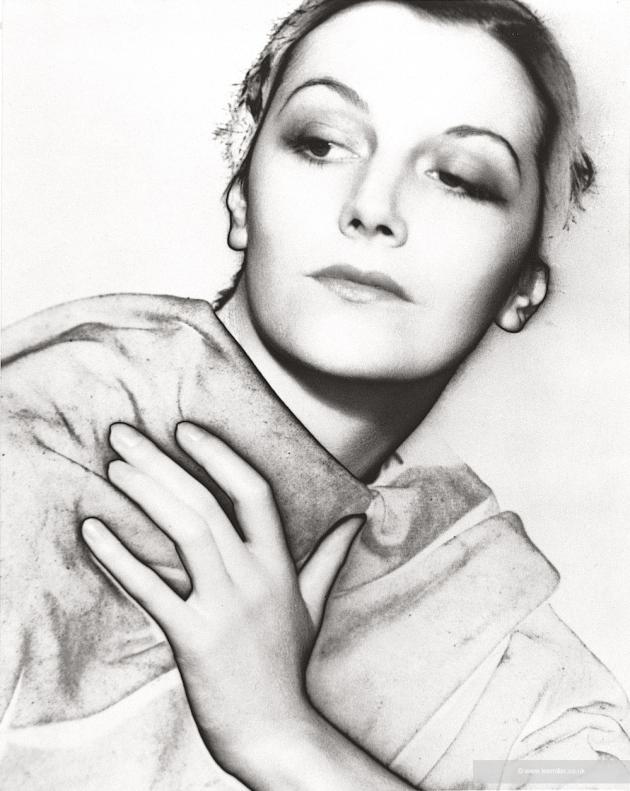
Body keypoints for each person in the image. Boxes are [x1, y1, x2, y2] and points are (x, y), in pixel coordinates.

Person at [1, 1, 628, 789]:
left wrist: (280, 734)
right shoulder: (33, 457)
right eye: (323, 143)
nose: (372, 209)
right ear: (241, 198)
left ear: (524, 288)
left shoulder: (465, 590)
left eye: (460, 179)